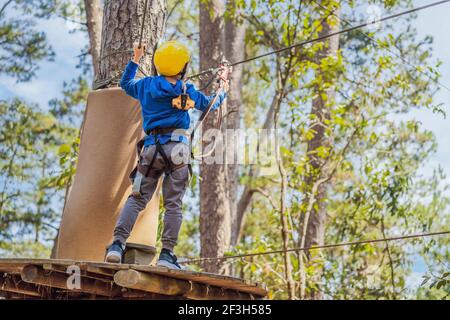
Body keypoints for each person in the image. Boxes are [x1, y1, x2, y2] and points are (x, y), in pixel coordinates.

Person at [105, 40, 229, 269]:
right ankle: (167, 254)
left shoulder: (146, 86)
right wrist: (223, 87)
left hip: (151, 151)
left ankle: (116, 245)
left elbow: (126, 83)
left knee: (137, 198)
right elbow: (210, 104)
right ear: (183, 67)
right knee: (173, 204)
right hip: (178, 151)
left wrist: (136, 57)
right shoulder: (186, 90)